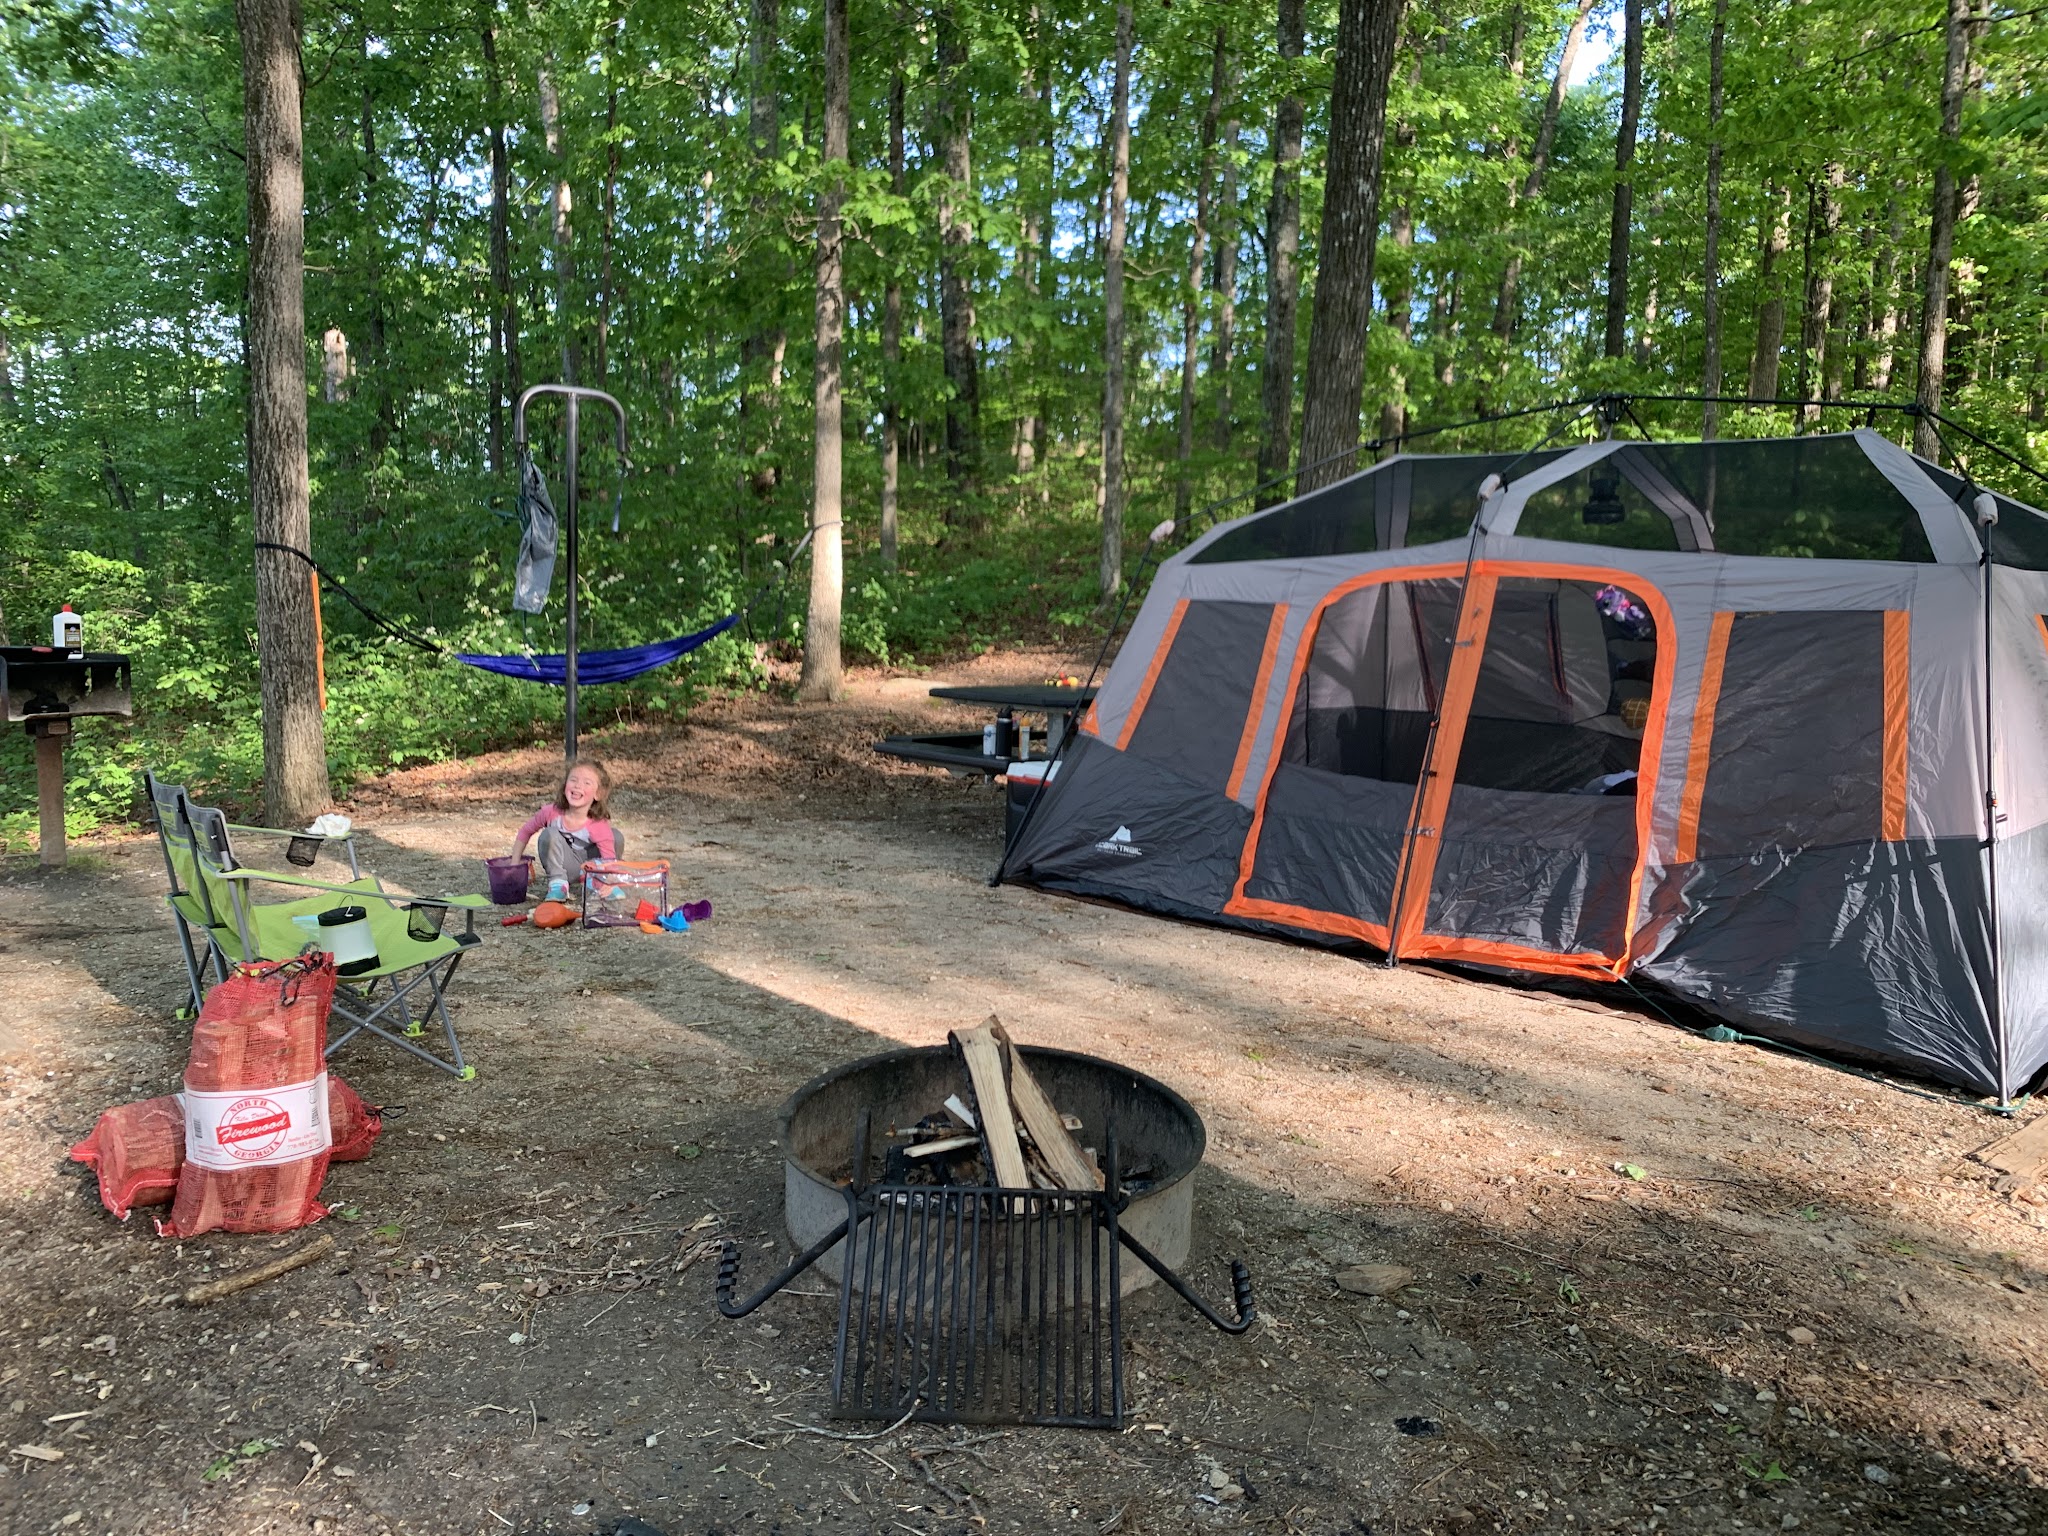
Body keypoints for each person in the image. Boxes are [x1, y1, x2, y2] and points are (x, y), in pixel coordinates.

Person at [510, 758, 619, 902]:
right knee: (549, 834)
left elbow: (609, 859)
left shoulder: (598, 824)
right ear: (565, 785)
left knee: (616, 836)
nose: (578, 785)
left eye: (587, 783)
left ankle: (597, 881)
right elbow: (525, 831)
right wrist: (514, 864)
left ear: (598, 794)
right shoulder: (551, 813)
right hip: (565, 866)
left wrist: (611, 881)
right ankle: (558, 884)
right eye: (573, 780)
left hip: (589, 866)